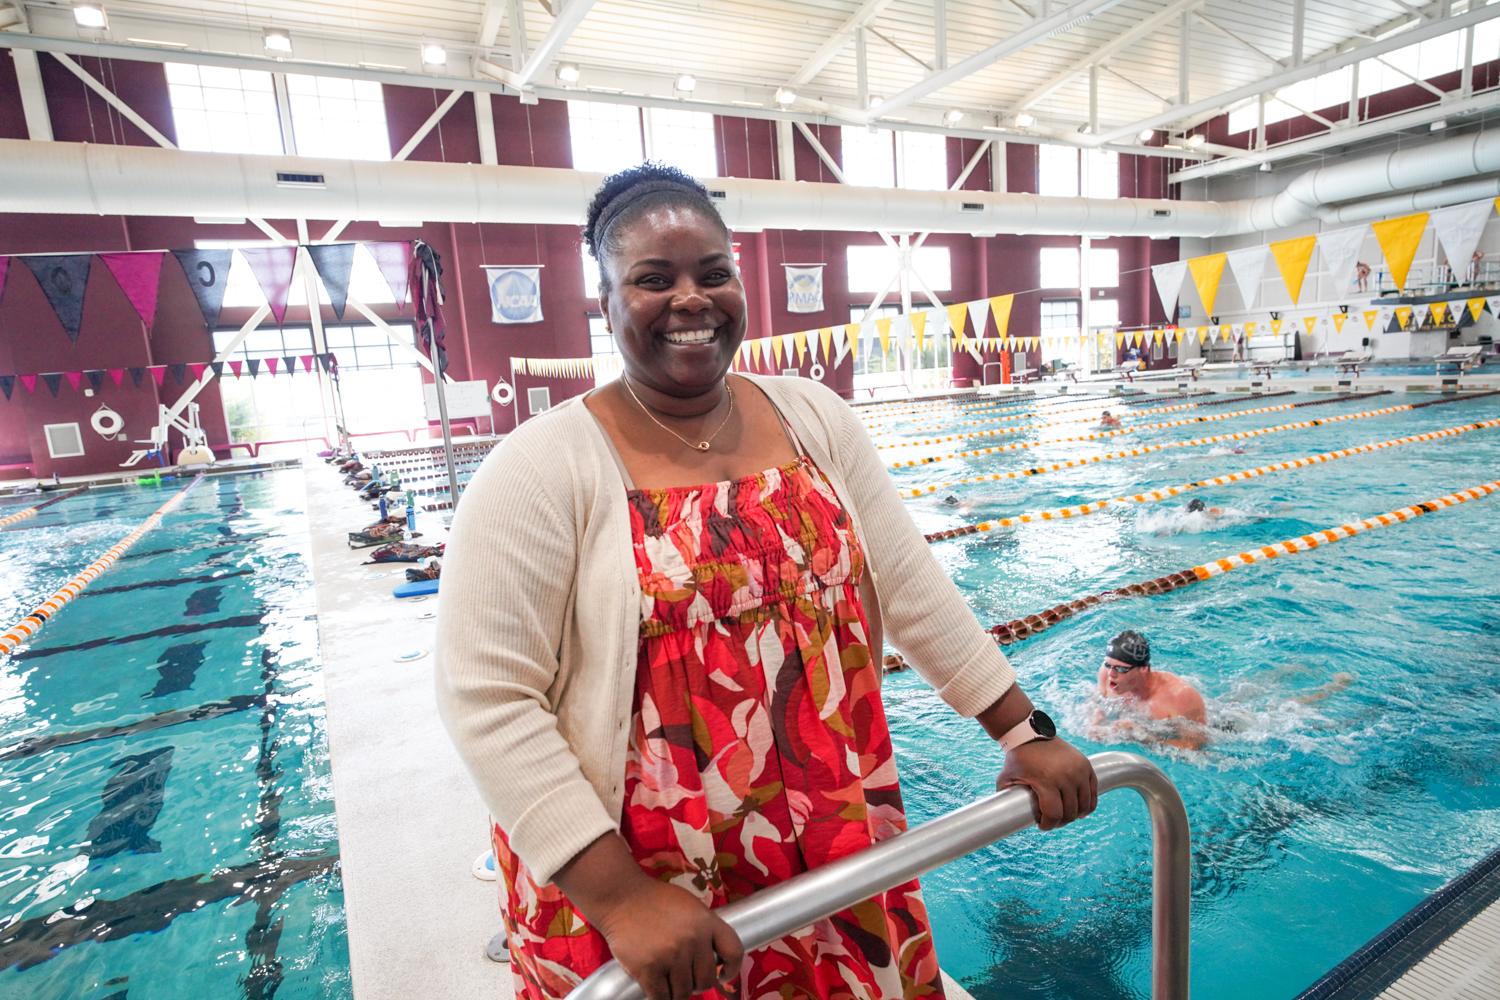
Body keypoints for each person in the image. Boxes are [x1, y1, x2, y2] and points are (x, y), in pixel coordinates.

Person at [435, 163, 1097, 1000]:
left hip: (834, 837)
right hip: (646, 884)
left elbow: (911, 586)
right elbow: (487, 700)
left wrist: (1023, 732)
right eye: (652, 278)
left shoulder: (813, 416)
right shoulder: (538, 467)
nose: (690, 299)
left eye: (713, 273)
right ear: (601, 302)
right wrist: (621, 898)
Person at [1095, 630, 1207, 751]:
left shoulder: (1179, 697)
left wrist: (1144, 737)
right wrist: (1095, 719)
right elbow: (1097, 700)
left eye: (1121, 669)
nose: (1111, 674)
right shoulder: (1106, 674)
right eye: (1108, 665)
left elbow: (1195, 746)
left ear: (1143, 669)